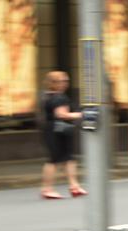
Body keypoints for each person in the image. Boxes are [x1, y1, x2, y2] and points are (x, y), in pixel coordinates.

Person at [40, 71, 86, 199]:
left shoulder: (47, 96)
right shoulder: (60, 97)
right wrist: (82, 115)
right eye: (63, 81)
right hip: (59, 131)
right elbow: (61, 114)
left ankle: (74, 186)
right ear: (54, 83)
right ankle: (47, 188)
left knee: (68, 158)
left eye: (66, 81)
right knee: (54, 160)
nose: (66, 83)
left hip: (52, 130)